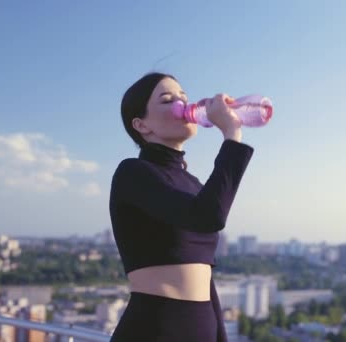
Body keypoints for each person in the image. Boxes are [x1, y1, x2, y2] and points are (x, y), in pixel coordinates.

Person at [109, 72, 254, 341]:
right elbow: (209, 216)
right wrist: (232, 134)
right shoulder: (133, 173)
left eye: (183, 97)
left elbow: (205, 278)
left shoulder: (193, 184)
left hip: (202, 329)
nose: (182, 104)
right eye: (167, 100)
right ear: (141, 125)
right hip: (153, 329)